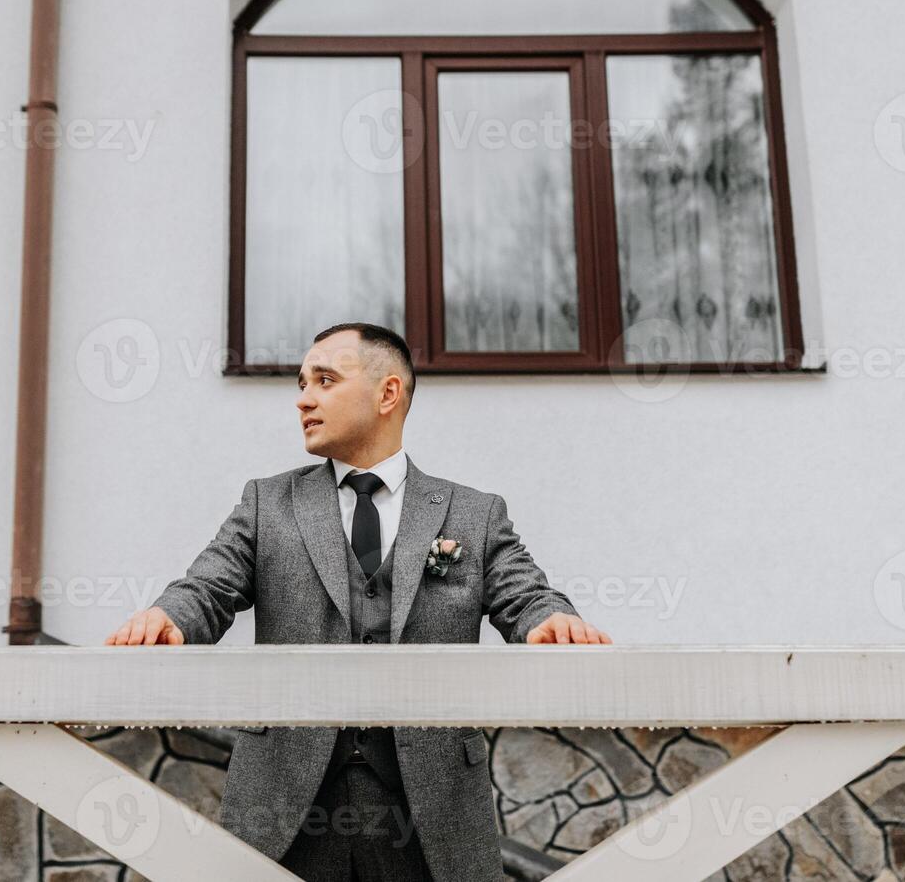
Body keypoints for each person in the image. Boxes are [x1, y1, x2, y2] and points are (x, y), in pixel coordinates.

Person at [107, 321, 611, 882]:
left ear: (387, 393)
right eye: (301, 384)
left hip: (430, 813)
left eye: (324, 380)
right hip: (285, 810)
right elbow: (207, 588)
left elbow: (526, 594)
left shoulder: (475, 513)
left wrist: (551, 620)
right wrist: (169, 617)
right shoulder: (266, 502)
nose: (303, 399)